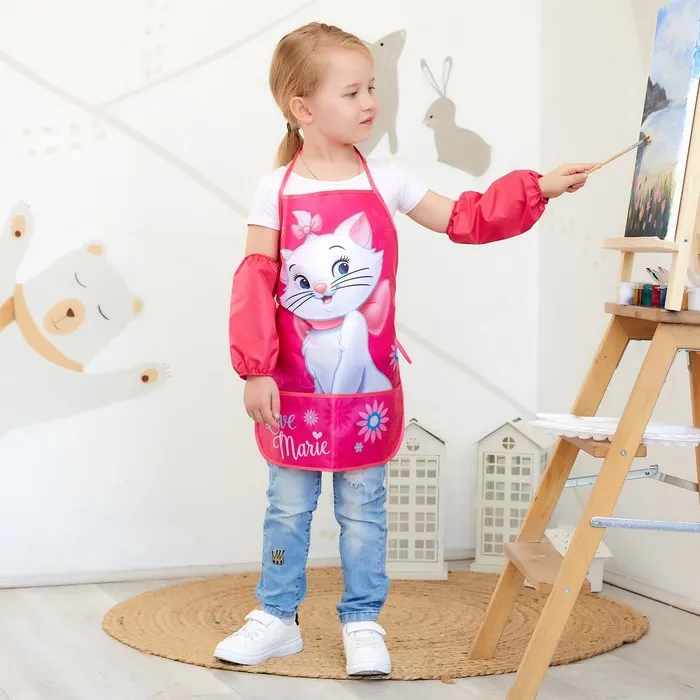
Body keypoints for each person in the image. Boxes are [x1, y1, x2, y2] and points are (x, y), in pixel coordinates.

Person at [218, 21, 593, 677]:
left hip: (365, 391)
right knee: (287, 508)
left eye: (372, 88)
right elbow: (255, 279)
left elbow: (466, 218)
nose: (371, 103)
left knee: (364, 511)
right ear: (303, 108)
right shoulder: (274, 190)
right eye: (353, 92)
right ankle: (276, 618)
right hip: (292, 389)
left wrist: (539, 186)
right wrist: (254, 370)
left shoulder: (388, 179)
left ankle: (363, 620)